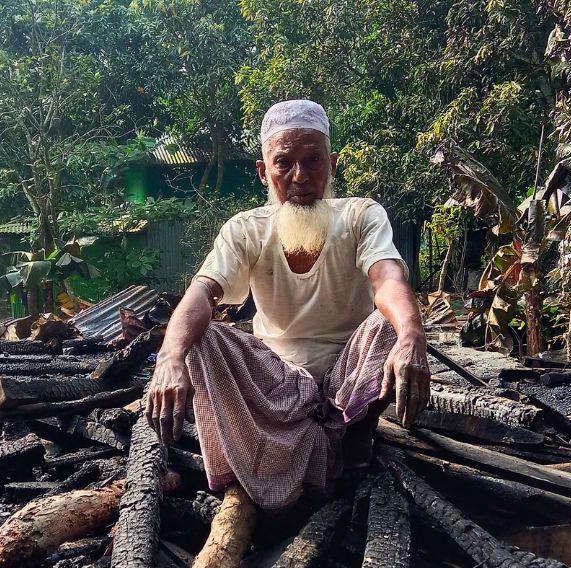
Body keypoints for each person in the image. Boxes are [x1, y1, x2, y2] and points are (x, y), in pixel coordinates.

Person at [145, 100, 430, 512]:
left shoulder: (360, 215)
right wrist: (169, 358)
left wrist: (412, 336)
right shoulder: (246, 229)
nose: (300, 176)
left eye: (313, 160)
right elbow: (202, 293)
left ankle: (356, 439)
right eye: (284, 163)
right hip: (277, 385)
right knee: (200, 339)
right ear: (264, 172)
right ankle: (269, 464)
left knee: (393, 324)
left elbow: (387, 278)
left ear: (332, 164)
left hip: (349, 378)